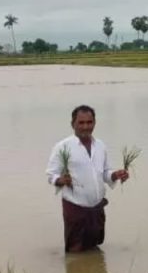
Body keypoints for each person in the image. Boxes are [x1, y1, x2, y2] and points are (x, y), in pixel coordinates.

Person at [46, 105, 129, 253]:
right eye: (81, 123)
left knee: (94, 247)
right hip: (75, 209)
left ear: (94, 123)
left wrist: (115, 175)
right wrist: (61, 180)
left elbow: (104, 173)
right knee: (75, 250)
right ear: (73, 124)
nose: (86, 127)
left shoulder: (100, 146)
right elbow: (51, 175)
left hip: (97, 209)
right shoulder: (62, 147)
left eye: (89, 122)